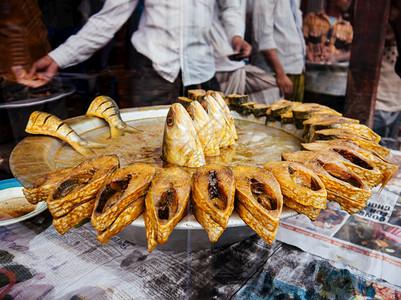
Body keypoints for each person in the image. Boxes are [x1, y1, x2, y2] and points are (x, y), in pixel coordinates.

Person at [27, 0, 251, 106]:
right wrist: (59, 57)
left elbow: (231, 6)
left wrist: (235, 36)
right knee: (148, 145)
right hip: (153, 72)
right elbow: (107, 20)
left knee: (213, 144)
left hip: (202, 70)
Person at [210, 0, 280, 104]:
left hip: (234, 61)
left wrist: (236, 38)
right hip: (213, 64)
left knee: (273, 91)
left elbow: (232, 9)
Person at [248, 0, 306, 102]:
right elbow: (263, 37)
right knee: (273, 115)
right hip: (276, 74)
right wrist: (281, 74)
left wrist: (305, 50)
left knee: (296, 115)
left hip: (296, 68)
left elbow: (291, 31)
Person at [302, 0, 353, 113]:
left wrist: (335, 58)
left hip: (334, 85)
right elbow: (301, 43)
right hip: (310, 82)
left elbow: (351, 53)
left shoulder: (347, 26)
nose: (349, 1)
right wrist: (310, 51)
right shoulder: (311, 18)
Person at [373, 23, 401, 150]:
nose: (389, 27)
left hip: (396, 108)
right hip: (377, 107)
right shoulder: (372, 49)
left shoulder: (398, 50)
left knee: (390, 148)